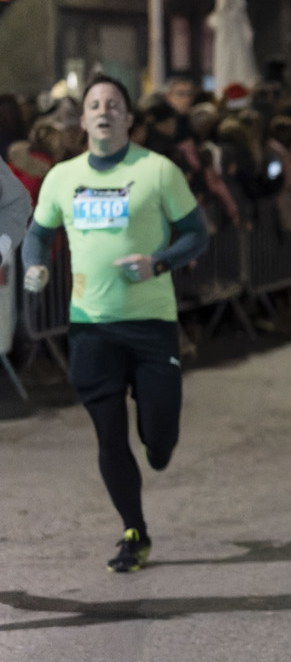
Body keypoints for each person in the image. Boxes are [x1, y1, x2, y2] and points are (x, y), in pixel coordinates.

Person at [21, 74, 209, 572]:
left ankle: (158, 443)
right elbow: (37, 234)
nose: (103, 111)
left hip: (151, 324)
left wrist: (159, 263)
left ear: (128, 118)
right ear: (82, 120)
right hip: (91, 327)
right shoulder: (63, 177)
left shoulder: (158, 171)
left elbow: (196, 233)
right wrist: (33, 266)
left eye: (113, 104)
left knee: (160, 440)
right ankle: (134, 531)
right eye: (94, 105)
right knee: (108, 434)